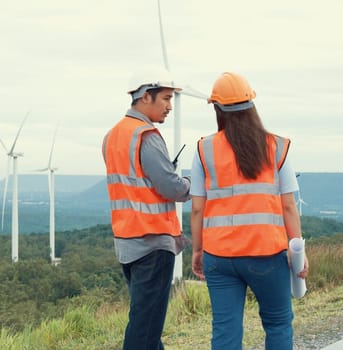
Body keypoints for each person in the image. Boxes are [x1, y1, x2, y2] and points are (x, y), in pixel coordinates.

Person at [190, 72, 309, 350]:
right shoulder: (276, 147)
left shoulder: (204, 150)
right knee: (278, 324)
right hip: (267, 255)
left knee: (225, 330)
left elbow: (197, 209)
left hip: (219, 257)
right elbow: (288, 205)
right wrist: (298, 251)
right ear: (251, 105)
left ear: (217, 109)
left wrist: (198, 251)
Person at [102, 67, 191, 350]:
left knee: (146, 322)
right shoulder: (146, 136)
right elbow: (171, 188)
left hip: (127, 243)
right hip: (152, 243)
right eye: (165, 98)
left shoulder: (113, 136)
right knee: (144, 329)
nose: (169, 107)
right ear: (144, 97)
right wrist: (192, 184)